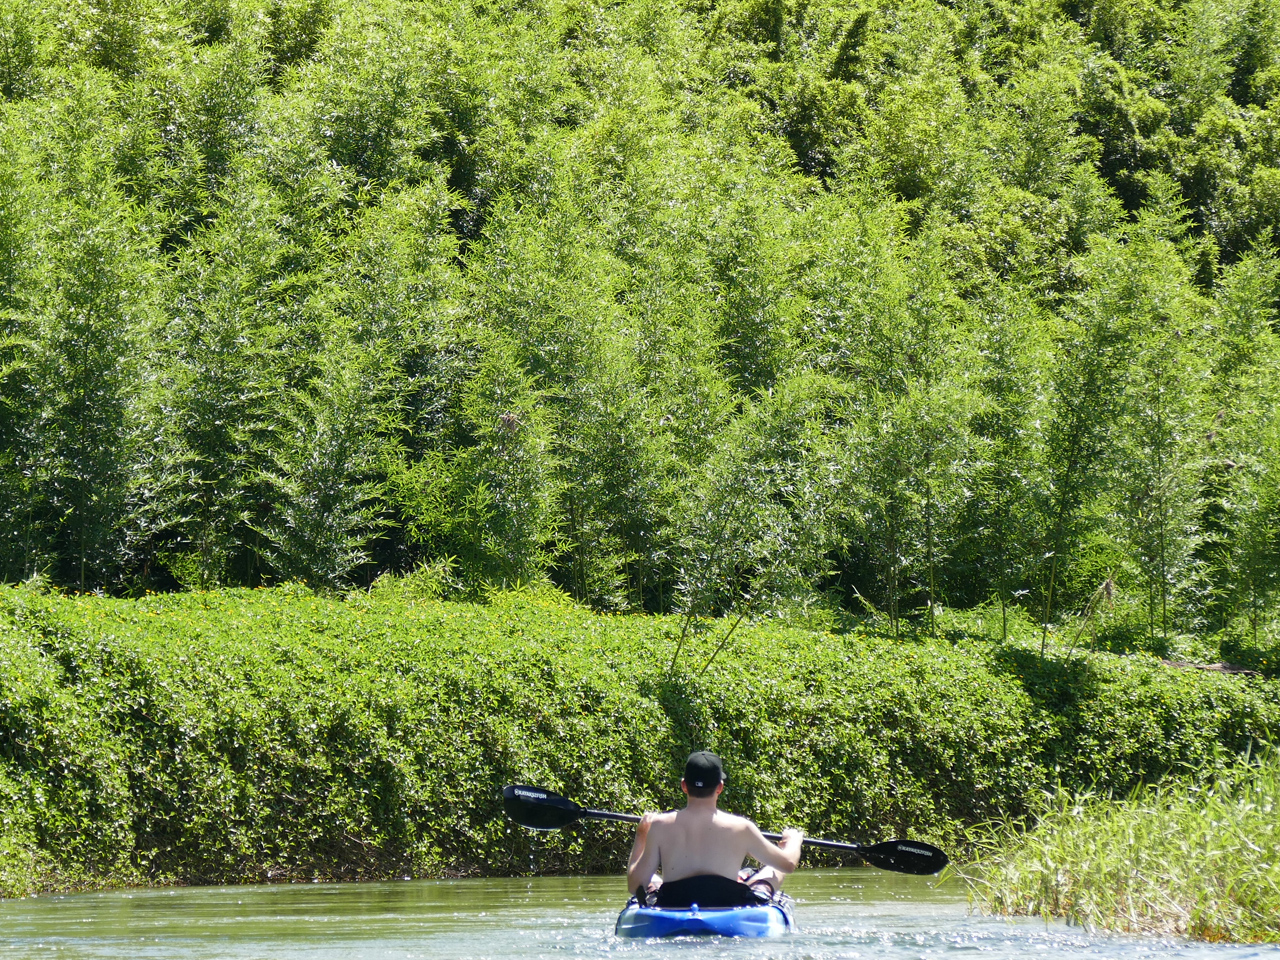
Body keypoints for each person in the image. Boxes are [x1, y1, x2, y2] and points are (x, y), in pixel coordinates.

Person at [626, 750, 803, 908]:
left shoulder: (659, 825)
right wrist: (793, 842)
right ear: (720, 787)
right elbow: (787, 864)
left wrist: (641, 835)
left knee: (654, 881)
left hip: (674, 903)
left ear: (683, 786)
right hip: (727, 903)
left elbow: (635, 885)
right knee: (772, 870)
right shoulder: (741, 827)